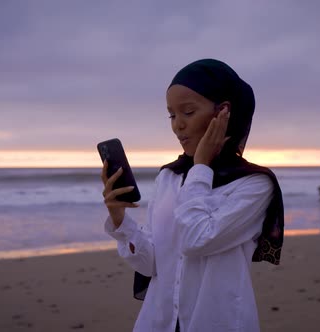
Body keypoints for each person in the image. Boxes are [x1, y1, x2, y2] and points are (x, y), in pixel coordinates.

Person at [101, 59, 284, 332]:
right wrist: (119, 220)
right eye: (172, 115)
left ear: (223, 112)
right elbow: (152, 263)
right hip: (157, 322)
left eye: (187, 112)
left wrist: (201, 167)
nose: (178, 126)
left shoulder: (254, 184)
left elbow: (196, 240)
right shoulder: (169, 177)